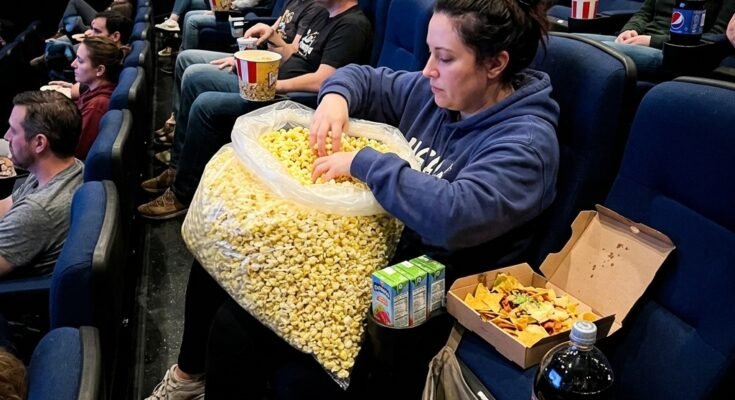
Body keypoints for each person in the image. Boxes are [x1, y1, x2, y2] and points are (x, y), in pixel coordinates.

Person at [202, 0, 560, 397]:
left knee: (240, 328)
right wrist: (335, 98)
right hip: (374, 251)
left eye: (444, 58)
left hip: (427, 297)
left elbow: (454, 214)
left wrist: (365, 163)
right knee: (233, 259)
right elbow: (362, 77)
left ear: (495, 64)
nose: (428, 70)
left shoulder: (526, 145)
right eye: (429, 53)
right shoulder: (436, 93)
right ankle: (191, 376)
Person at [138, 0, 370, 220]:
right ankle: (177, 168)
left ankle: (182, 194)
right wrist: (260, 49)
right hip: (272, 80)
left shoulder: (352, 25)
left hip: (291, 99)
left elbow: (323, 81)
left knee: (206, 105)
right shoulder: (323, 13)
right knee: (194, 78)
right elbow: (292, 54)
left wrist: (274, 85)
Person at [152, 0, 324, 149]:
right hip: (257, 57)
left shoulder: (316, 9)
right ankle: (177, 122)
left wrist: (251, 59)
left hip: (266, 70)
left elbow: (290, 54)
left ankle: (178, 152)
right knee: (184, 58)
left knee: (193, 74)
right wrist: (244, 54)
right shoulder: (293, 2)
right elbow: (271, 32)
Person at [0, 91, 84, 279]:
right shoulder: (71, 167)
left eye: (13, 130)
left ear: (39, 143)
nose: (6, 136)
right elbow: (7, 206)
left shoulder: (37, 211)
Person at [580, 0, 735, 80]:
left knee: (596, 52)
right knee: (577, 41)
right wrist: (630, 30)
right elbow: (644, 13)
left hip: (675, 53)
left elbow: (717, 36)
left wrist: (651, 41)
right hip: (640, 38)